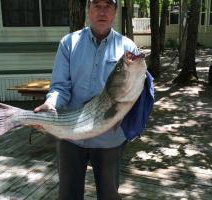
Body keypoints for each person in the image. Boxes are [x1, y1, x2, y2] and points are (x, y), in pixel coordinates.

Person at [34, 0, 140, 199]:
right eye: (96, 5)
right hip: (71, 134)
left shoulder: (128, 48)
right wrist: (50, 104)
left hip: (109, 137)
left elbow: (135, 90)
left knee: (109, 194)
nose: (102, 11)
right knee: (68, 194)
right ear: (87, 10)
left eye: (108, 6)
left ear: (115, 12)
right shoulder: (69, 43)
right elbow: (60, 87)